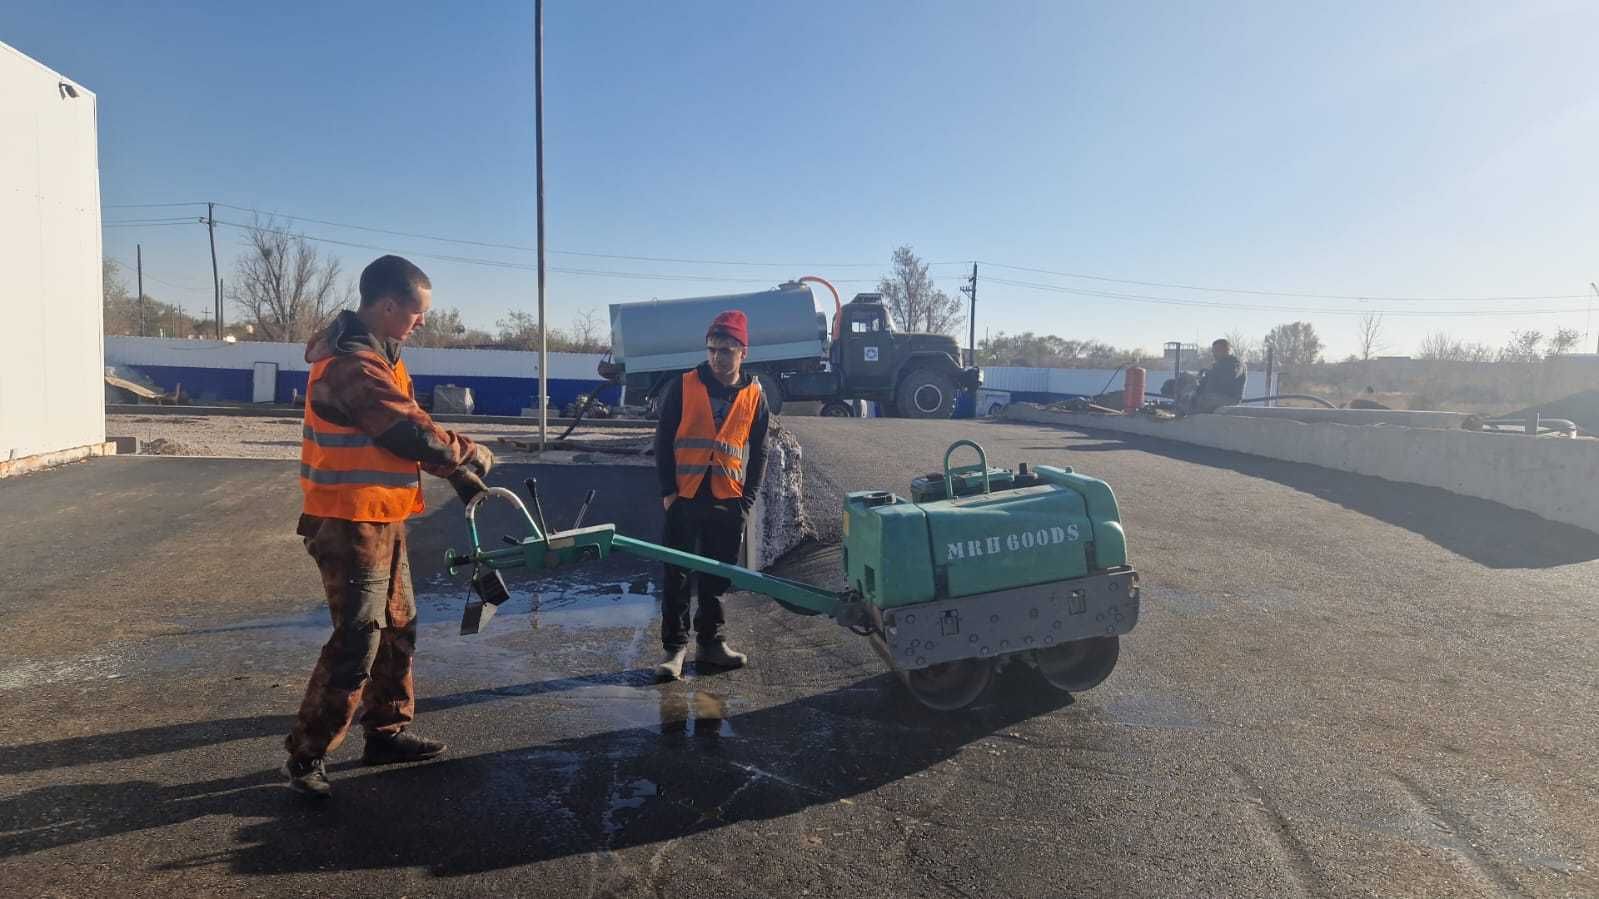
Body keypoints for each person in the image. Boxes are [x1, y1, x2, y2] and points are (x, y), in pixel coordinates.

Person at [284, 255, 494, 798]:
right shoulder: (353, 363)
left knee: (399, 624)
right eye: (417, 312)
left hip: (381, 515)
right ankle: (308, 756)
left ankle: (386, 732)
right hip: (348, 518)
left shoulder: (384, 354)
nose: (421, 322)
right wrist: (467, 455)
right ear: (387, 306)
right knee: (358, 637)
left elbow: (408, 426)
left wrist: (457, 473)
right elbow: (404, 430)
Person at [651, 309, 771, 681]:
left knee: (717, 578)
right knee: (678, 576)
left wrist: (746, 502)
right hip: (685, 497)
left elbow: (761, 450)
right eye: (713, 349)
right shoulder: (685, 385)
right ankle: (675, 650)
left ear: (743, 352)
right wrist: (668, 492)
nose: (719, 356)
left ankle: (711, 644)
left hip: (727, 499)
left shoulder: (754, 394)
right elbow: (662, 439)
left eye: (727, 350)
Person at [1185, 338, 1248, 413]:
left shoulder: (1236, 364)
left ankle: (1187, 416)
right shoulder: (1218, 365)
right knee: (1188, 393)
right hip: (1215, 396)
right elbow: (1208, 382)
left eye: (1217, 350)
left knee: (1203, 400)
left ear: (1227, 350)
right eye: (1213, 351)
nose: (1214, 354)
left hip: (1229, 399)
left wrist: (1211, 374)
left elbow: (1228, 377)